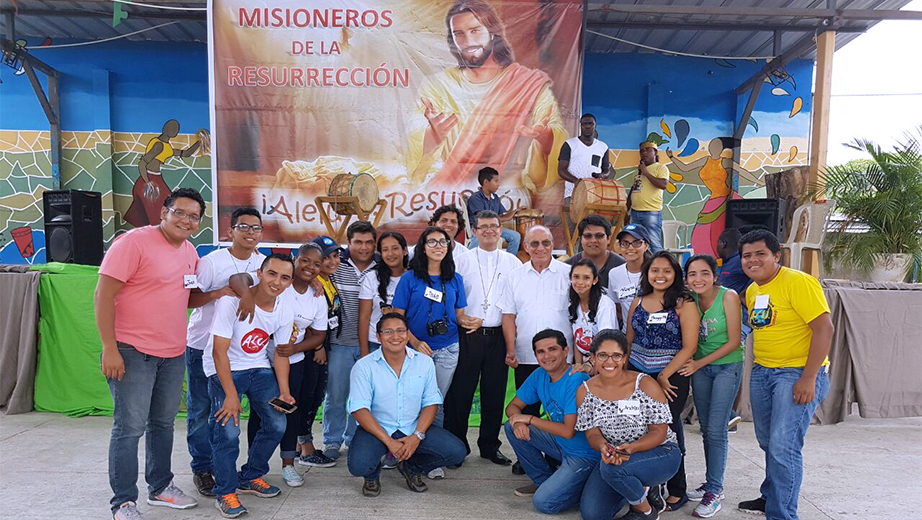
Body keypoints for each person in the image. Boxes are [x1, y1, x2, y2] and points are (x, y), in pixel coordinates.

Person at [96, 188, 204, 520]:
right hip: (131, 351)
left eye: (193, 217)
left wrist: (222, 292)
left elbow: (186, 298)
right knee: (129, 428)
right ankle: (124, 502)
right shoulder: (133, 243)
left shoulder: (190, 251)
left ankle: (160, 488)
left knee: (163, 423)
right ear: (164, 212)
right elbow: (103, 294)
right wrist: (110, 348)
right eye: (180, 213)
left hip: (172, 353)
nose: (186, 220)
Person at [406, 0, 567, 191]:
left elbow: (555, 133)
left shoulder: (528, 83)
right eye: (459, 34)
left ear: (492, 33)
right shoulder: (437, 86)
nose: (467, 42)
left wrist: (544, 137)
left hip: (508, 192)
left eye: (475, 31)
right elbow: (412, 141)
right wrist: (432, 137)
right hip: (450, 192)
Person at [736, 230, 833, 520]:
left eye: (760, 254)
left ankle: (782, 514)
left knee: (783, 445)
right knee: (769, 441)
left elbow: (824, 328)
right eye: (746, 256)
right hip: (763, 372)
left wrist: (808, 377)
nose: (753, 260)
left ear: (777, 255)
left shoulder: (799, 282)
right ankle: (771, 496)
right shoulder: (753, 290)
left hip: (796, 374)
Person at [205, 254, 296, 518]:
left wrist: (284, 391)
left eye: (284, 277)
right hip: (225, 370)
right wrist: (231, 395)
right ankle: (224, 491)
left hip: (258, 368)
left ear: (290, 282)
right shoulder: (230, 303)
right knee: (228, 432)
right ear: (260, 272)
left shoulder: (284, 309)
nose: (277, 282)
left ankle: (251, 476)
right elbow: (218, 353)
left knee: (277, 423)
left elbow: (280, 353)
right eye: (272, 274)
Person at [183, 208, 266, 497]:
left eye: (256, 228)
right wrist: (218, 293)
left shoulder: (263, 263)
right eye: (243, 226)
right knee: (201, 411)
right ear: (230, 231)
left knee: (229, 414)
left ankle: (237, 470)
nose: (250, 232)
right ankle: (203, 469)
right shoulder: (211, 262)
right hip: (202, 345)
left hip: (241, 352)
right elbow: (188, 299)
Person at [346, 313, 467, 497]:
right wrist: (389, 442)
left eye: (401, 331)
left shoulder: (424, 363)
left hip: (413, 426)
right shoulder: (364, 366)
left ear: (408, 334)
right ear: (378, 336)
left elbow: (431, 403)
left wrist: (416, 436)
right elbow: (359, 409)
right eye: (388, 332)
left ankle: (412, 467)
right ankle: (371, 475)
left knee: (457, 452)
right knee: (358, 465)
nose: (395, 336)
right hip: (377, 429)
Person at [246, 245, 328, 488]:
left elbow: (319, 335)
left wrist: (294, 349)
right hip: (261, 361)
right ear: (295, 259)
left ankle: (289, 465)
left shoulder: (317, 295)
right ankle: (254, 467)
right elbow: (243, 282)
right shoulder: (279, 283)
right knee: (259, 415)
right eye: (305, 260)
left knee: (291, 411)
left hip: (294, 363)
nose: (310, 267)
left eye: (316, 264)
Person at [577, 330, 681, 520]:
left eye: (616, 355)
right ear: (592, 358)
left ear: (625, 358)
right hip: (616, 456)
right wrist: (603, 447)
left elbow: (659, 432)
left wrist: (631, 449)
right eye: (602, 355)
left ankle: (645, 511)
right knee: (593, 515)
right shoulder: (584, 392)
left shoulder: (645, 384)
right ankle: (638, 488)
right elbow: (592, 434)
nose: (610, 362)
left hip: (660, 452)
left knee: (612, 469)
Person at [445, 210, 522, 467]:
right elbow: (453, 297)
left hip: (498, 335)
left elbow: (516, 303)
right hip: (468, 335)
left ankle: (490, 446)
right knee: (461, 392)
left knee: (494, 393)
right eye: (483, 227)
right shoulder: (463, 261)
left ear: (501, 230)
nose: (489, 231)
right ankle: (457, 446)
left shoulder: (512, 263)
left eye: (494, 226)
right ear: (474, 232)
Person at [625, 251, 699, 511]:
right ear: (646, 274)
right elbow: (629, 341)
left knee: (667, 428)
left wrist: (665, 374)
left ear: (675, 275)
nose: (660, 275)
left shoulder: (683, 302)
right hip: (638, 374)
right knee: (641, 428)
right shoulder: (637, 302)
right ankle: (650, 486)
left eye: (667, 271)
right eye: (655, 270)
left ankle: (678, 489)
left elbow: (689, 346)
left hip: (672, 376)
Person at [677, 255, 744, 517]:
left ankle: (715, 490)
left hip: (727, 366)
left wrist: (697, 363)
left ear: (715, 276)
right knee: (706, 429)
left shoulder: (728, 296)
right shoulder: (689, 299)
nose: (698, 279)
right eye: (692, 274)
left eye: (705, 273)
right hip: (701, 369)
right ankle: (710, 481)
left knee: (717, 430)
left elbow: (734, 341)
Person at [392, 227, 472, 446]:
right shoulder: (409, 279)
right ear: (422, 248)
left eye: (443, 242)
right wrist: (415, 342)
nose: (438, 246)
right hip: (415, 350)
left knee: (435, 402)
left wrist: (472, 322)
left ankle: (431, 453)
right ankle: (402, 447)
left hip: (448, 349)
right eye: (432, 242)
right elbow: (397, 319)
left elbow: (460, 315)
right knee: (411, 402)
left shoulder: (455, 279)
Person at [503, 329, 598, 513]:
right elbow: (512, 407)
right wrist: (520, 421)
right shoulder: (539, 374)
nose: (547, 356)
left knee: (545, 503)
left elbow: (568, 431)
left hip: (584, 454)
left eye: (552, 349)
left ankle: (584, 487)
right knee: (511, 425)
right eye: (541, 352)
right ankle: (543, 481)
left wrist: (529, 419)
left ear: (566, 351)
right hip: (560, 445)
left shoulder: (576, 378)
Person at [322, 221, 378, 461]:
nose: (363, 248)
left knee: (364, 398)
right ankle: (331, 441)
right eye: (358, 242)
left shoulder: (383, 266)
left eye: (368, 242)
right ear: (348, 243)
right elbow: (313, 270)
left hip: (374, 345)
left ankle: (354, 439)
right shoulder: (336, 264)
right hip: (340, 343)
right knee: (336, 395)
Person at [297, 238, 343, 468]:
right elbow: (304, 319)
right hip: (312, 350)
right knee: (309, 397)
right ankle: (306, 449)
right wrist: (317, 347)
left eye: (335, 256)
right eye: (326, 257)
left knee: (313, 396)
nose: (332, 261)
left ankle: (298, 444)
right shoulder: (312, 285)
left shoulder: (325, 281)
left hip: (323, 346)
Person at [125, 120, 202, 227]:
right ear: (165, 129)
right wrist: (147, 182)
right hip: (149, 180)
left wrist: (199, 142)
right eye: (172, 128)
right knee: (163, 209)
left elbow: (186, 153)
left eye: (176, 129)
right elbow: (142, 164)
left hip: (156, 178)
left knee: (169, 204)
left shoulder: (167, 147)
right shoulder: (158, 145)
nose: (174, 131)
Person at [558, 114, 613, 233]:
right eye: (584, 124)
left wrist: (603, 176)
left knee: (593, 229)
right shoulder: (570, 144)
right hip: (573, 194)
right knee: (574, 231)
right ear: (580, 126)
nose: (587, 126)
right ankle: (574, 252)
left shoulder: (603, 147)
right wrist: (577, 182)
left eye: (590, 124)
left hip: (596, 195)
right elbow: (561, 170)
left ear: (595, 126)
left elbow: (606, 169)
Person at [359, 232, 409, 358]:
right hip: (376, 344)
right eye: (385, 250)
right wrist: (365, 352)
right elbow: (364, 317)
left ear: (405, 251)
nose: (390, 254)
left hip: (406, 343)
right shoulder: (371, 278)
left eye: (395, 248)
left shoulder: (414, 278)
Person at [568, 259, 618, 366]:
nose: (580, 282)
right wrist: (578, 365)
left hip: (605, 359)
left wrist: (589, 366)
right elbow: (577, 339)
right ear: (570, 279)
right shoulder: (572, 303)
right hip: (586, 361)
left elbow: (604, 341)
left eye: (586, 278)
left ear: (595, 280)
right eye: (576, 277)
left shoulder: (605, 304)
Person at [465, 167, 522, 255]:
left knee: (515, 236)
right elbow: (482, 218)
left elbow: (502, 216)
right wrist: (504, 219)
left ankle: (509, 263)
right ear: (486, 182)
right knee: (478, 237)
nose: (498, 184)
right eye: (496, 181)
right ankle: (467, 259)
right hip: (479, 228)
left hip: (495, 228)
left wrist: (514, 211)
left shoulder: (495, 198)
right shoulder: (475, 198)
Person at [608, 223, 651, 331]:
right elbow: (616, 306)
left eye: (636, 243)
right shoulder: (614, 274)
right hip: (627, 335)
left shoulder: (655, 272)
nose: (630, 248)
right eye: (625, 243)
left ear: (646, 246)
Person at [565, 215, 625, 291]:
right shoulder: (567, 267)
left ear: (609, 239)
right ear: (580, 239)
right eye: (588, 236)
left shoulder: (622, 267)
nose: (593, 240)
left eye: (599, 236)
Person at [627, 142, 669, 252]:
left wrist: (646, 172)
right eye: (642, 151)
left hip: (651, 213)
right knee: (635, 244)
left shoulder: (660, 168)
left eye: (648, 150)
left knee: (654, 244)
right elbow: (633, 191)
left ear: (655, 152)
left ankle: (659, 268)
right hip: (635, 213)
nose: (644, 152)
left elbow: (663, 185)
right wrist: (626, 211)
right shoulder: (639, 171)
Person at [716, 228, 752, 297]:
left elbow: (758, 279)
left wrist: (742, 296)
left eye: (718, 243)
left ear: (723, 244)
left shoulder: (741, 261)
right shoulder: (726, 263)